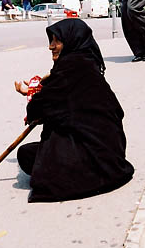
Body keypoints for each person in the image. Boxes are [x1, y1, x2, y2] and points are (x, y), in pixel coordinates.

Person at [14, 19, 135, 202]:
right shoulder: (87, 65)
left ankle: (85, 175)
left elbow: (37, 110)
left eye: (57, 41)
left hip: (93, 158)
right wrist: (40, 88)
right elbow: (60, 97)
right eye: (51, 40)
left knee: (26, 154)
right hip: (113, 155)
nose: (51, 46)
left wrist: (33, 95)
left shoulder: (67, 71)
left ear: (71, 41)